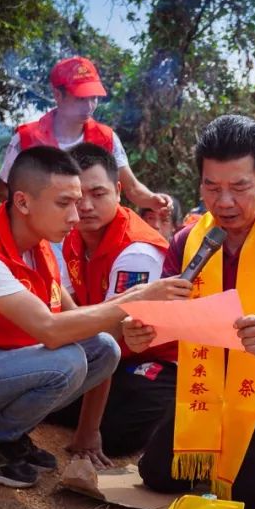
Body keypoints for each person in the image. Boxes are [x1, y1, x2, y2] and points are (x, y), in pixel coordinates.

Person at [0, 146, 186, 488]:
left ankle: (7, 436)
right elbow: (50, 329)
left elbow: (86, 322)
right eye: (64, 203)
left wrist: (137, 307)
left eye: (81, 201)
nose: (77, 215)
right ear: (23, 202)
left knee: (103, 349)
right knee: (68, 360)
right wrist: (138, 298)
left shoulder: (39, 248)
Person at [122, 115, 255, 509]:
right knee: (159, 475)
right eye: (212, 188)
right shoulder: (187, 241)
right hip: (206, 389)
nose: (224, 202)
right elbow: (167, 313)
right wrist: (142, 332)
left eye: (239, 187)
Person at [47, 143, 171, 466]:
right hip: (102, 349)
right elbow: (62, 304)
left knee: (116, 432)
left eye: (98, 193)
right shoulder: (72, 236)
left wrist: (88, 429)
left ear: (118, 191)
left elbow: (114, 331)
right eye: (76, 196)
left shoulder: (137, 250)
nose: (86, 206)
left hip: (156, 356)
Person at [0, 56, 169, 216]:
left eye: (93, 98)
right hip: (42, 237)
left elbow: (132, 188)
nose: (89, 107)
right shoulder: (26, 139)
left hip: (89, 237)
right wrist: (42, 214)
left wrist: (153, 200)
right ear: (58, 95)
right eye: (80, 99)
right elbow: (2, 191)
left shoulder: (106, 139)